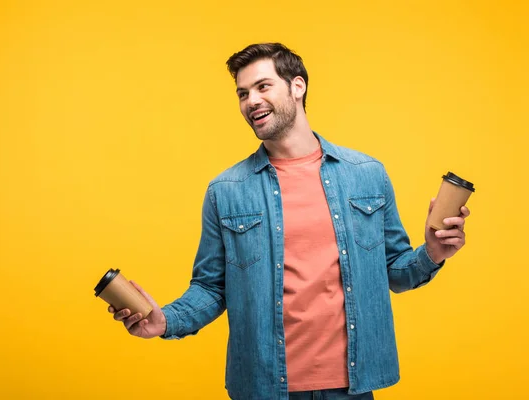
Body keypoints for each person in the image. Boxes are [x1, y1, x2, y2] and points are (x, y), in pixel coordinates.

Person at [107, 43, 470, 400]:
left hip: (353, 387)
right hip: (265, 386)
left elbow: (395, 272)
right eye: (243, 93)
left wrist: (433, 252)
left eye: (263, 86)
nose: (251, 101)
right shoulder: (226, 190)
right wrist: (165, 320)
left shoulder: (367, 174)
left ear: (298, 87)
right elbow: (212, 287)